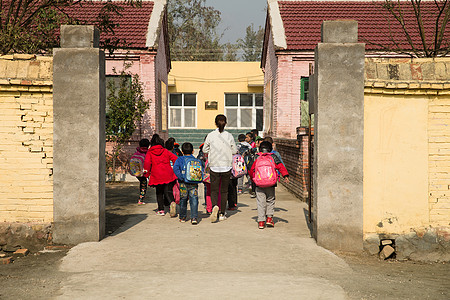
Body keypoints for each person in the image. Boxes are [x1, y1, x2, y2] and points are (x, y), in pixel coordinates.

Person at [203, 114, 237, 222]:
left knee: (214, 190)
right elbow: (234, 151)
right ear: (225, 123)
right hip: (226, 166)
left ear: (215, 123)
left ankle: (214, 207)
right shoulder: (229, 136)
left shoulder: (211, 135)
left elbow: (204, 149)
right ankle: (222, 213)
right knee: (224, 191)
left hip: (214, 166)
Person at [249, 141, 289, 229]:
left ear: (260, 148)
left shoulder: (256, 157)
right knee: (270, 201)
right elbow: (281, 166)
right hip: (271, 184)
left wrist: (253, 180)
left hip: (259, 184)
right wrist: (285, 176)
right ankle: (269, 219)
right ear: (270, 149)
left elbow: (251, 170)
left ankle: (261, 222)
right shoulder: (273, 157)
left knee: (260, 202)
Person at [143, 134, 179, 216]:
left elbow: (147, 163)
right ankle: (172, 203)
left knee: (159, 193)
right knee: (168, 191)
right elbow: (175, 158)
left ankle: (161, 210)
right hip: (168, 173)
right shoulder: (165, 151)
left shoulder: (150, 152)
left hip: (156, 175)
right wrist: (175, 169)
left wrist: (147, 174)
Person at [173, 142, 202, 224]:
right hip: (193, 183)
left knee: (183, 199)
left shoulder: (179, 159)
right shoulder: (196, 160)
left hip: (183, 183)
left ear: (182, 151)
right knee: (194, 199)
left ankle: (182, 217)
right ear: (193, 151)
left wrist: (181, 177)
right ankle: (194, 218)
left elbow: (175, 169)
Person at [129, 138, 150, 205]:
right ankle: (141, 200)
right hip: (143, 172)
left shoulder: (137, 151)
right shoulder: (147, 153)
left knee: (142, 183)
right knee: (143, 185)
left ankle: (141, 198)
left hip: (136, 172)